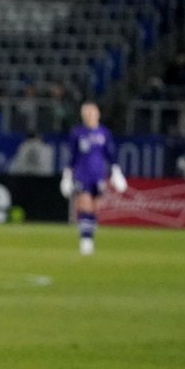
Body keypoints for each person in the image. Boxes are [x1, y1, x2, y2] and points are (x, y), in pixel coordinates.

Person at [61, 101, 126, 255]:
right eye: (86, 113)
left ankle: (89, 235)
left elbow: (110, 155)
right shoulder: (77, 133)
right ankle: (85, 240)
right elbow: (72, 156)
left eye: (91, 112)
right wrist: (67, 176)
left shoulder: (104, 133)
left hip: (98, 174)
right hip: (82, 174)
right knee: (84, 204)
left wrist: (116, 172)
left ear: (97, 114)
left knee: (95, 207)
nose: (89, 115)